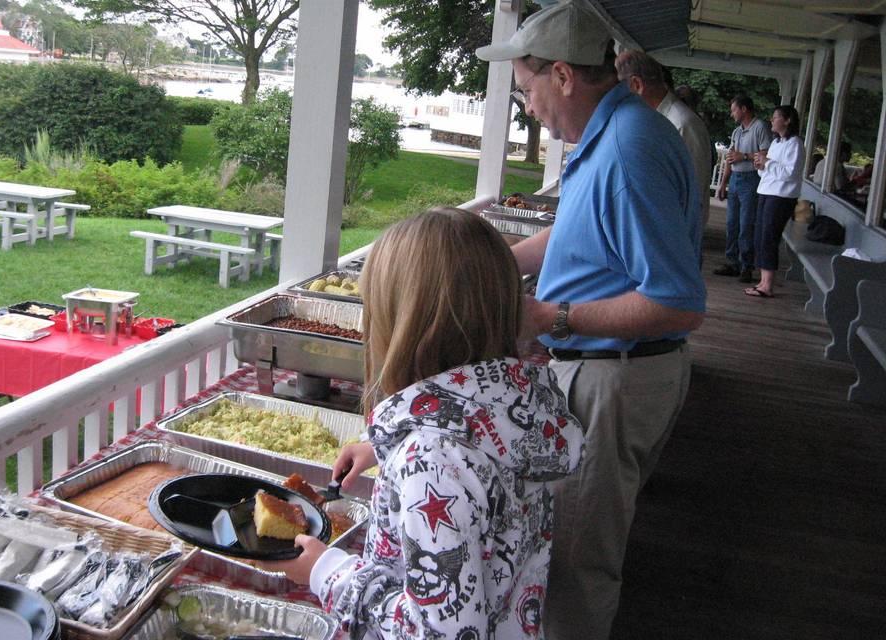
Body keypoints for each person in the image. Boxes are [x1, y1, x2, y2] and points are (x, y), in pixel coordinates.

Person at [475, 3, 706, 638]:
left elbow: (679, 302)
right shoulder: (612, 132)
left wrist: (551, 316)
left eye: (526, 89)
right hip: (603, 370)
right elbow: (574, 233)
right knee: (567, 546)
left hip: (615, 376)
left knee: (575, 563)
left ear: (563, 76)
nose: (526, 106)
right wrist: (483, 261)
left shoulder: (630, 151)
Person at [264, 208, 585, 638]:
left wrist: (328, 572)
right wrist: (387, 444)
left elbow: (438, 632)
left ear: (401, 324)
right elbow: (474, 445)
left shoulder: (430, 462)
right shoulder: (518, 410)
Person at [616, 51, 713, 229]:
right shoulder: (656, 118)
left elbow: (692, 193)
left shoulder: (682, 124)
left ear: (637, 85)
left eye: (620, 91)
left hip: (674, 234)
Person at [746, 105, 805, 298]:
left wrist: (767, 163)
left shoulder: (795, 144)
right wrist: (760, 165)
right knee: (761, 236)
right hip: (766, 191)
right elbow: (767, 171)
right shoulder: (776, 143)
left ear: (787, 120)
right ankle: (763, 281)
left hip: (781, 197)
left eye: (775, 117)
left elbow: (789, 173)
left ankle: (768, 285)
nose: (772, 120)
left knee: (770, 237)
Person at [714, 94, 772, 283]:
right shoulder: (737, 132)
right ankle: (732, 263)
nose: (732, 114)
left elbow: (767, 153)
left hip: (751, 179)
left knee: (746, 225)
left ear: (744, 109)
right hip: (736, 180)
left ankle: (746, 265)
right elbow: (731, 157)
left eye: (734, 110)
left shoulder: (760, 127)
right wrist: (723, 183)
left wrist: (745, 157)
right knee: (732, 224)